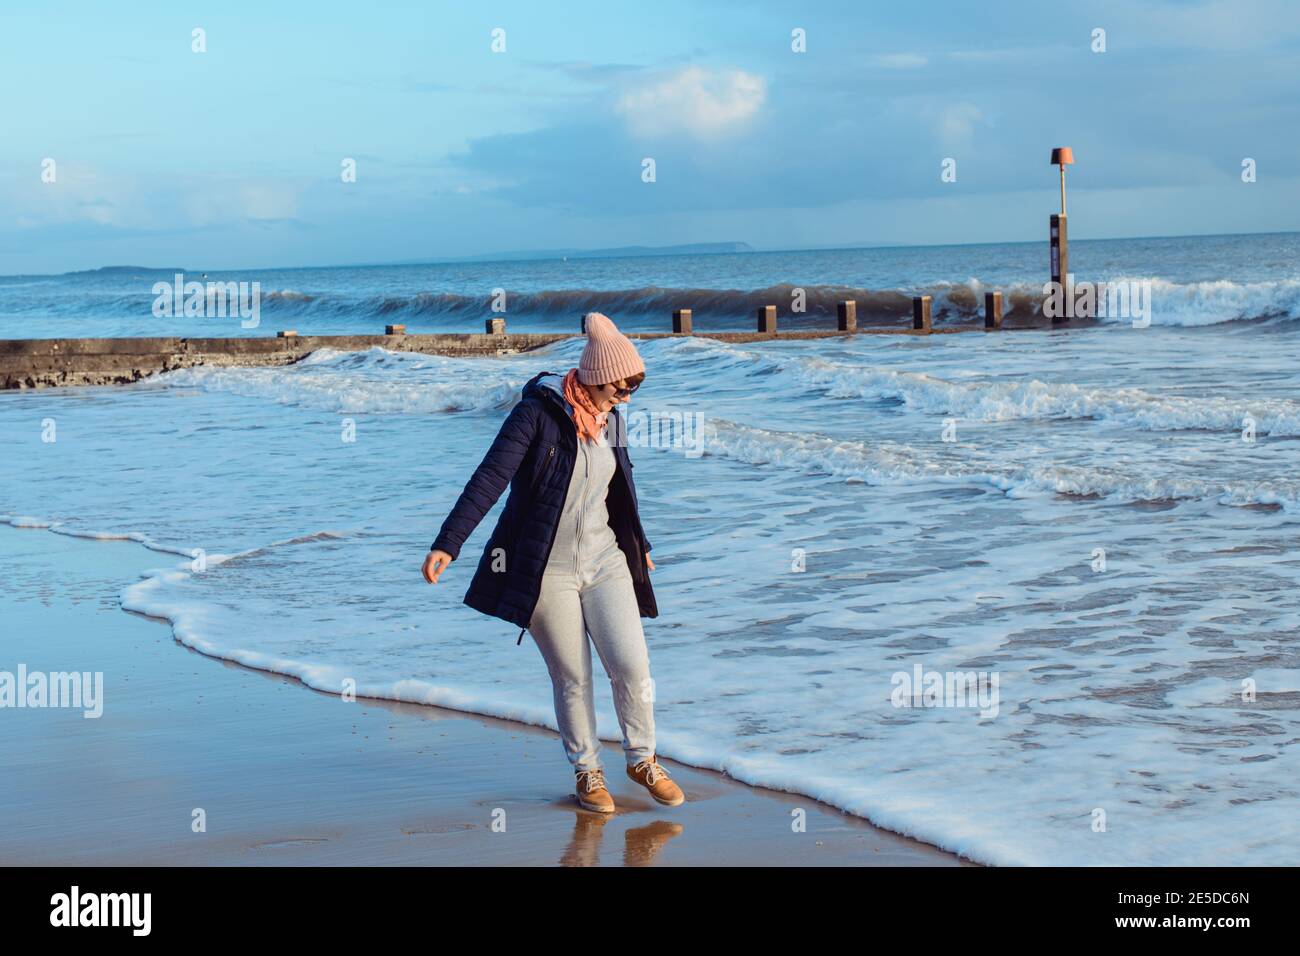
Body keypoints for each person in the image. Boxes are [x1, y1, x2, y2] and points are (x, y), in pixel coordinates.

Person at [422, 311, 684, 813]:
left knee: (632, 664)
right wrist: (448, 543)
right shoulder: (534, 417)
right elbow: (488, 480)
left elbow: (619, 493)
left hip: (605, 561)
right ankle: (588, 772)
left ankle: (642, 759)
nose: (625, 398)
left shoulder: (611, 420)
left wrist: (639, 544)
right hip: (546, 568)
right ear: (595, 376)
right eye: (620, 388)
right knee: (572, 676)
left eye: (632, 389)